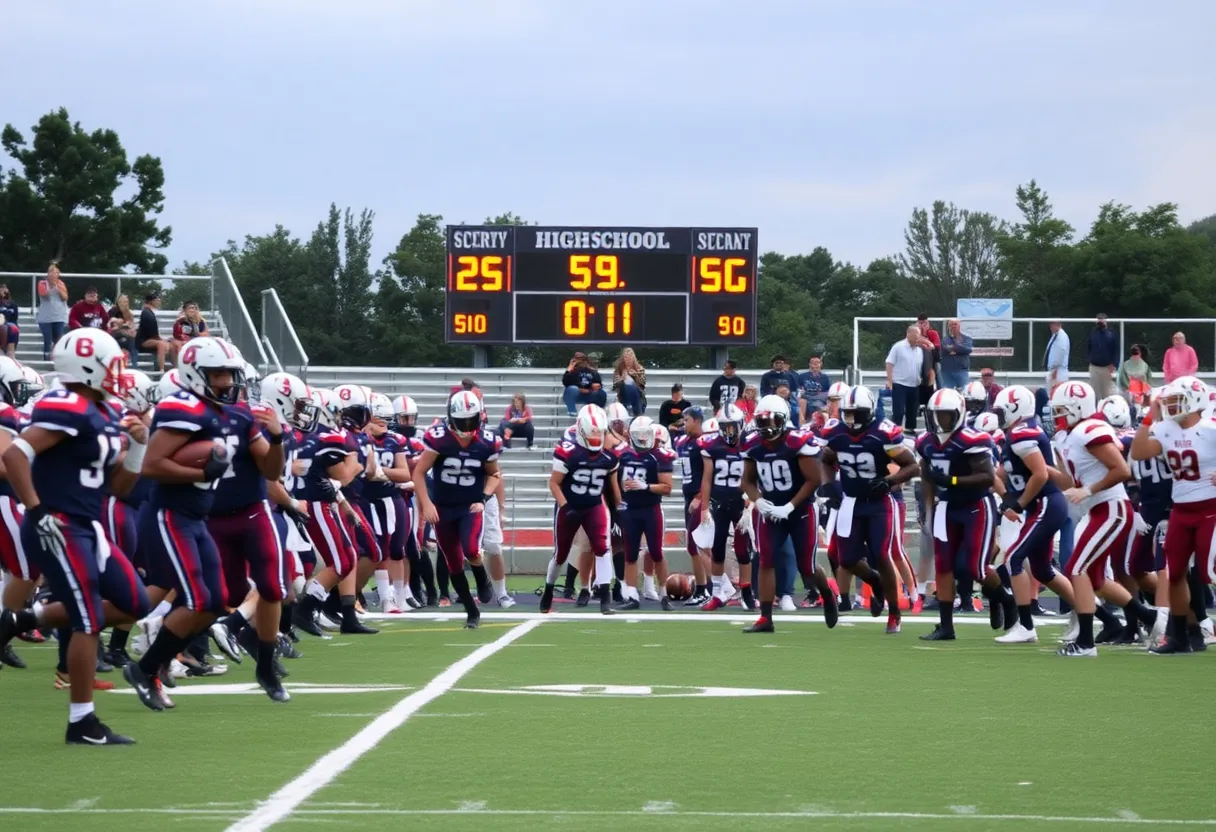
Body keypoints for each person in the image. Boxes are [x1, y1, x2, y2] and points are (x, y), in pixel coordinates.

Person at [0, 328, 150, 744]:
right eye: (111, 362)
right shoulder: (66, 404)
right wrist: (36, 508)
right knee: (86, 620)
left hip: (90, 524)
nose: (117, 370)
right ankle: (82, 722)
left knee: (135, 602)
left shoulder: (104, 412)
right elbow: (14, 454)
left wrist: (138, 447)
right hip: (60, 525)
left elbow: (119, 489)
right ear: (87, 366)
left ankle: (23, 618)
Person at [1052, 381, 1165, 656]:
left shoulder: (1089, 430)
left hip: (1111, 507)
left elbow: (1122, 469)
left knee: (1076, 568)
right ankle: (1151, 619)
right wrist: (1042, 470)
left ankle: (1086, 643)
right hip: (1098, 510)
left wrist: (1088, 490)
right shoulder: (1067, 437)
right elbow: (1070, 480)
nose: (1057, 416)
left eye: (1062, 410)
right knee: (1096, 578)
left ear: (1079, 408)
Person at [916, 388, 1016, 641]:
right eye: (935, 415)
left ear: (959, 414)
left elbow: (987, 477)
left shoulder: (973, 439)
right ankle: (946, 626)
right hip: (946, 507)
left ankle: (1005, 599)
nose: (940, 421)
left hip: (975, 506)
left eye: (946, 416)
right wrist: (927, 508)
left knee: (975, 568)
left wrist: (951, 479)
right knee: (944, 566)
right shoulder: (926, 442)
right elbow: (927, 477)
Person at [818, 386, 919, 634]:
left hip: (879, 504)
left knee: (881, 554)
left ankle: (894, 612)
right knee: (847, 559)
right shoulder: (836, 432)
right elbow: (826, 459)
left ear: (870, 411)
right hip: (850, 502)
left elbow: (912, 467)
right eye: (848, 413)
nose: (852, 419)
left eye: (857, 413)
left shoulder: (881, 434)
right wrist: (828, 484)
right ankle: (875, 581)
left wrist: (889, 481)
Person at [1131, 377, 1216, 654]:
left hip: (1210, 508)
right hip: (1181, 509)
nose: (1169, 405)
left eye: (1175, 399)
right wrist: (1147, 419)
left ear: (1195, 400)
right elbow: (1139, 451)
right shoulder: (1165, 429)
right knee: (1176, 572)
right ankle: (1180, 636)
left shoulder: (1210, 429)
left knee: (1211, 572)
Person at [740, 395, 836, 633]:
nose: (767, 427)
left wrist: (790, 507)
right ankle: (765, 618)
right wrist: (758, 501)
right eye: (762, 422)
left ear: (783, 420)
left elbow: (814, 480)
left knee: (808, 568)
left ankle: (827, 593)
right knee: (766, 560)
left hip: (800, 509)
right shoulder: (752, 444)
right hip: (772, 510)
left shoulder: (797, 441)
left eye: (772, 421)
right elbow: (747, 480)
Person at [990, 386, 1078, 644]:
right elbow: (998, 475)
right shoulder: (1014, 435)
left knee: (1013, 559)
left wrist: (1018, 504)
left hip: (1045, 503)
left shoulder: (1022, 433)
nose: (997, 415)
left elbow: (1040, 474)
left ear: (1015, 408)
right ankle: (1094, 614)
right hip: (1041, 505)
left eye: (1000, 410)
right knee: (1041, 569)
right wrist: (1006, 499)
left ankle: (1026, 626)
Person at [411, 391, 501, 628]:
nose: (468, 426)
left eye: (472, 420)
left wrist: (484, 497)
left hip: (469, 506)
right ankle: (472, 612)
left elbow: (494, 474)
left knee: (472, 550)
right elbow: (418, 473)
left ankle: (482, 577)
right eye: (463, 420)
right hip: (442, 508)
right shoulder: (439, 438)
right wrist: (427, 503)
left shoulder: (486, 441)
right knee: (452, 562)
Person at [539, 404, 619, 615]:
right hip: (569, 506)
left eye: (599, 433)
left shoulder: (609, 457)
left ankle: (605, 598)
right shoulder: (568, 451)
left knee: (602, 548)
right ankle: (548, 589)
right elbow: (554, 484)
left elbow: (612, 488)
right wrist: (565, 506)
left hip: (594, 505)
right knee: (561, 554)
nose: (595, 438)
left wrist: (618, 510)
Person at [696, 404, 756, 612]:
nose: (729, 431)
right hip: (719, 502)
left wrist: (752, 499)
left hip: (741, 503)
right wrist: (704, 508)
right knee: (718, 548)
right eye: (725, 427)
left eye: (732, 427)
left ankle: (747, 593)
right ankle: (717, 593)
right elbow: (706, 479)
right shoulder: (712, 445)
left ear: (740, 424)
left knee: (742, 549)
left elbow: (753, 475)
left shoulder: (750, 444)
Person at [614, 416, 676, 611]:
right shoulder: (622, 455)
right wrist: (617, 499)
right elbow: (612, 482)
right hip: (629, 510)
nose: (641, 439)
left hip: (650, 509)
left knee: (656, 552)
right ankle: (632, 596)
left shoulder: (660, 456)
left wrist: (646, 486)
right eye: (637, 435)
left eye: (645, 435)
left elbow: (667, 488)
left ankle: (665, 594)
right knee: (630, 554)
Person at [885, 326, 924, 432]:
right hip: (900, 384)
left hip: (914, 384)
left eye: (919, 336)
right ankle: (894, 433)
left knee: (912, 412)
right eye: (916, 336)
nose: (918, 338)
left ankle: (911, 432)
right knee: (898, 411)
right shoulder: (898, 347)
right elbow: (889, 363)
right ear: (909, 334)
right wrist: (889, 381)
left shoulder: (919, 350)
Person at [36, 263, 70, 360]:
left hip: (59, 316)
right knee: (48, 339)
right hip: (45, 317)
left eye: (55, 272)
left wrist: (57, 287)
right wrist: (51, 285)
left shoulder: (61, 284)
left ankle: (57, 358)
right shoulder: (42, 283)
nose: (53, 274)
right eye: (51, 272)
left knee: (58, 339)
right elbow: (44, 294)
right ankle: (46, 358)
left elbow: (65, 298)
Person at [138, 290, 176, 372]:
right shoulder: (146, 313)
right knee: (161, 344)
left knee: (172, 346)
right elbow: (151, 334)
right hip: (143, 341)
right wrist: (162, 340)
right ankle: (161, 370)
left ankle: (176, 369)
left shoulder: (151, 312)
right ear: (151, 301)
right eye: (157, 300)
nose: (159, 301)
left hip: (151, 338)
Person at [561, 352, 606, 416]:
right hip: (576, 394)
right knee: (572, 389)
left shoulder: (592, 371)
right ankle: (572, 411)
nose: (580, 362)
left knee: (601, 393)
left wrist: (589, 388)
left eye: (582, 359)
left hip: (589, 394)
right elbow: (566, 383)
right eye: (577, 359)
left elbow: (598, 385)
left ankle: (598, 411)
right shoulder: (572, 372)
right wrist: (569, 369)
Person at [1086, 313, 1118, 400]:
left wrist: (1113, 364)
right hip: (1094, 367)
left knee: (1106, 393)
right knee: (1095, 392)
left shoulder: (1111, 334)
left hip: (1106, 368)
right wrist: (1090, 359)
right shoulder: (1093, 333)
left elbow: (1115, 350)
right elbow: (1089, 347)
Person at [939, 319, 973, 390]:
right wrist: (959, 349)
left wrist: (954, 348)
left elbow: (968, 349)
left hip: (962, 371)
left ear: (960, 326)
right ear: (948, 327)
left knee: (964, 393)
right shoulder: (945, 339)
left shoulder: (967, 338)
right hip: (947, 372)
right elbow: (945, 349)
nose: (953, 326)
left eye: (955, 324)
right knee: (947, 394)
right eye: (951, 324)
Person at [612, 348, 647, 416]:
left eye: (630, 357)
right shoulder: (619, 369)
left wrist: (636, 376)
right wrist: (623, 378)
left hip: (638, 396)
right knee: (627, 381)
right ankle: (633, 410)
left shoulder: (639, 368)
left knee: (630, 382)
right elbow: (615, 384)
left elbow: (643, 383)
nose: (628, 359)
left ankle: (636, 411)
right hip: (623, 395)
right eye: (626, 357)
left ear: (633, 358)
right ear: (623, 358)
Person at [797, 356, 831, 421]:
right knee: (802, 402)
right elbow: (799, 391)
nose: (815, 365)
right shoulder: (802, 376)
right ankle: (802, 424)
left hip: (818, 400)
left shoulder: (825, 377)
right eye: (812, 362)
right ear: (809, 364)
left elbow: (826, 393)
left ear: (821, 364)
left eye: (817, 363)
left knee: (819, 405)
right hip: (805, 399)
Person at [107, 294, 138, 360]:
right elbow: (112, 325)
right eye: (123, 301)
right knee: (128, 337)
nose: (125, 303)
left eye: (126, 301)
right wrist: (123, 325)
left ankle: (133, 362)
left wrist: (130, 328)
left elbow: (130, 324)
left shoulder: (128, 312)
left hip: (125, 334)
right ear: (118, 302)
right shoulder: (113, 311)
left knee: (132, 336)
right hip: (114, 333)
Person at [1043, 320, 1071, 390]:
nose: (1050, 327)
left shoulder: (1062, 336)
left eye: (1052, 325)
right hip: (1054, 370)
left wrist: (1055, 369)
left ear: (1057, 325)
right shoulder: (1055, 335)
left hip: (1058, 371)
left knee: (1056, 392)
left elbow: (1060, 353)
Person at [0, 284, 20, 357]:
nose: (4, 291)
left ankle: (11, 353)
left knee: (13, 328)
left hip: (10, 325)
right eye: (2, 290)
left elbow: (15, 318)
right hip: (1, 325)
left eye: (5, 290)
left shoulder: (13, 304)